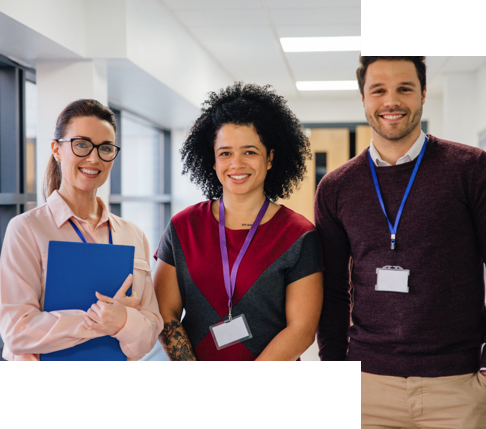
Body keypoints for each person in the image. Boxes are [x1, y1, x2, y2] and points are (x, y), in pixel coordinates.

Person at [315, 56, 486, 426]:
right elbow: (331, 290)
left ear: (423, 92)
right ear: (363, 98)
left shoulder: (472, 169)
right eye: (378, 90)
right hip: (368, 385)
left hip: (457, 385)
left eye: (404, 88)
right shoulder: (336, 188)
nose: (391, 101)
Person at [154, 83, 324, 361]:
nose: (237, 163)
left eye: (249, 152)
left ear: (270, 158)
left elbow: (302, 329)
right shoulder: (182, 227)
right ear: (213, 160)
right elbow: (165, 313)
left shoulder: (299, 235)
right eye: (225, 153)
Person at [0, 99, 163, 361]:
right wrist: (103, 321)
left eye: (105, 148)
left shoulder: (133, 235)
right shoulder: (26, 230)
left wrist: (124, 321)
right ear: (56, 149)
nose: (93, 158)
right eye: (81, 144)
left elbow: (148, 336)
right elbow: (17, 332)